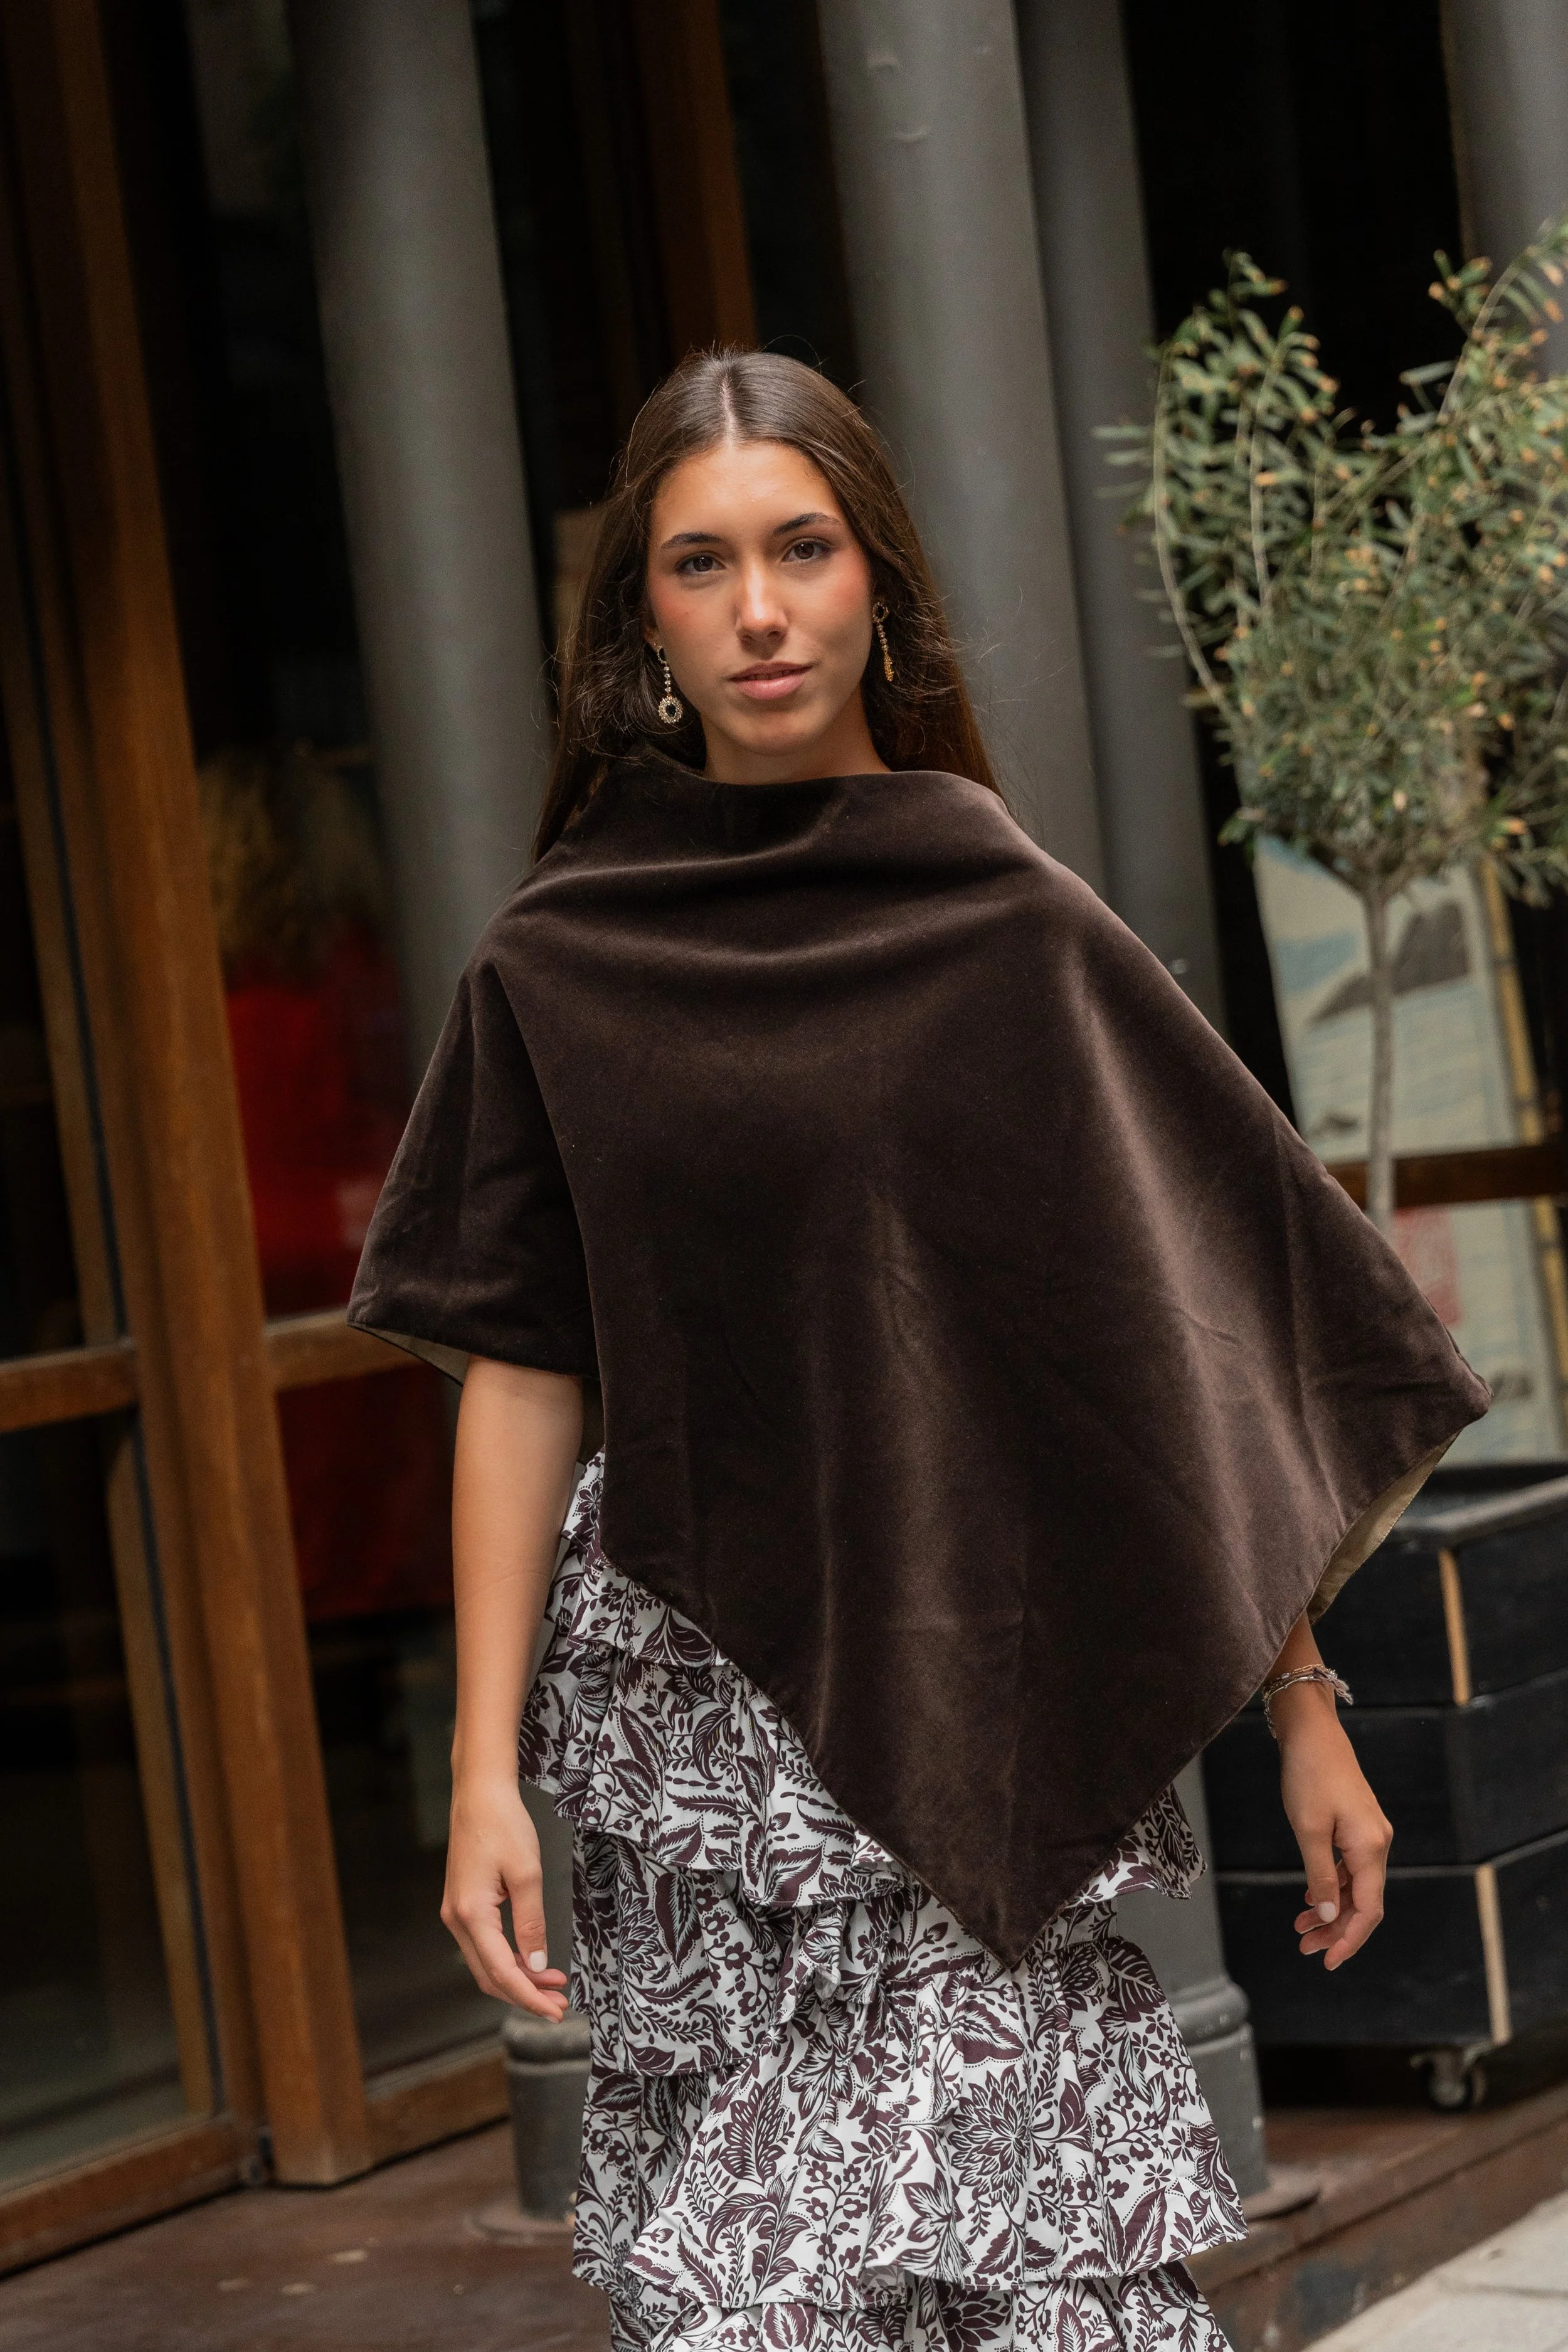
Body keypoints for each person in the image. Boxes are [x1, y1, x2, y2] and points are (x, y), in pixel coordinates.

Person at [349, 351, 1487, 2352]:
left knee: (1053, 2297)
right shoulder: (561, 956)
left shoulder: (1005, 918)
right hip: (689, 1742)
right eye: (700, 566)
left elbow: (1176, 1338)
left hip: (974, 1661)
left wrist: (1303, 1702)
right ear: (641, 621)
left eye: (801, 548)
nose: (760, 610)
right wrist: (479, 1770)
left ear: (877, 576)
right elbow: (520, 1362)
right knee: (758, 2311)